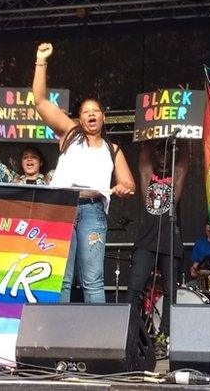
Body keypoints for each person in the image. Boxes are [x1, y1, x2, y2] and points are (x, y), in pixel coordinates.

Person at [32, 42, 136, 303]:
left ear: (103, 117)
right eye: (85, 112)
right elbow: (40, 101)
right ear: (79, 119)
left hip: (93, 211)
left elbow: (128, 183)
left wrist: (124, 188)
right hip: (62, 207)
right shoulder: (70, 134)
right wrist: (40, 61)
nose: (91, 114)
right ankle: (59, 337)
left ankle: (97, 340)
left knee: (92, 280)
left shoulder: (113, 148)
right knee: (61, 279)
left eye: (96, 111)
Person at [127, 139, 188, 346]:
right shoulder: (148, 177)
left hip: (170, 241)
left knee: (171, 291)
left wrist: (182, 138)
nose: (162, 155)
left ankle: (165, 334)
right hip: (146, 240)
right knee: (135, 286)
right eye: (159, 151)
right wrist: (152, 133)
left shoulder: (175, 177)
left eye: (167, 151)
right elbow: (144, 160)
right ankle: (129, 331)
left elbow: (183, 164)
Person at [0, 118, 55, 184]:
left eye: (34, 157)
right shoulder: (14, 180)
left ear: (41, 163)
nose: (29, 159)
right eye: (25, 157)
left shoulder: (50, 179)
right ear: (21, 162)